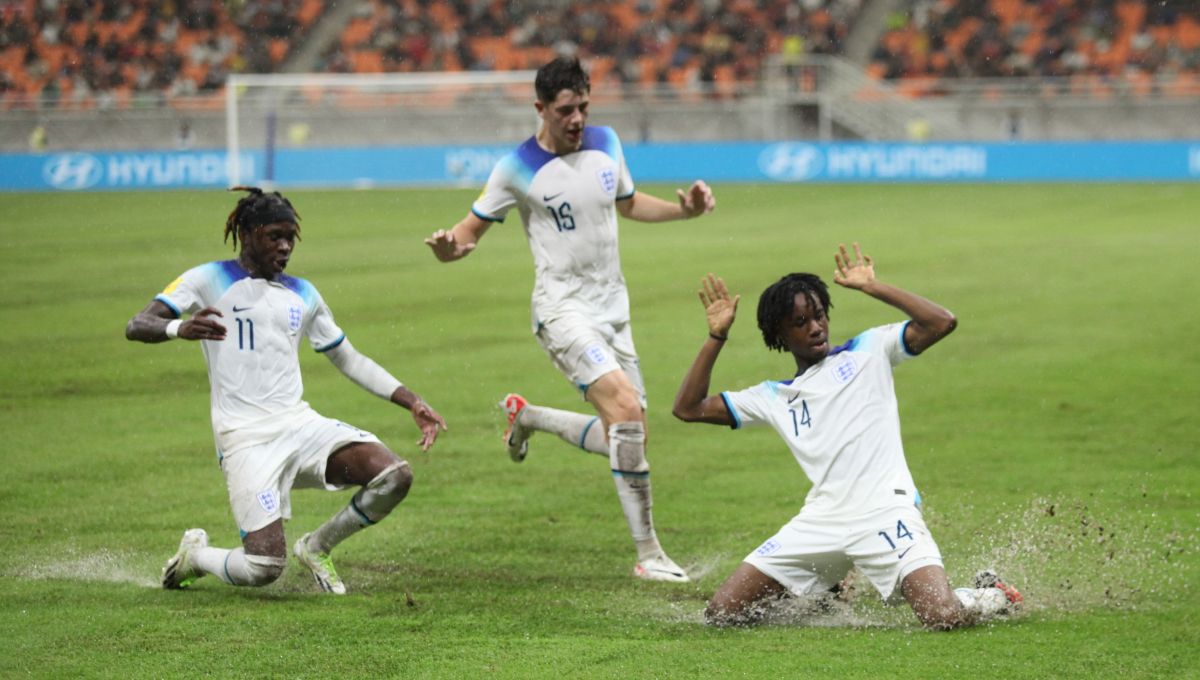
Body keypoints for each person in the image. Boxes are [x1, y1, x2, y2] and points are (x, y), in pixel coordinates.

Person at [423, 56, 715, 583]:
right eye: (565, 111)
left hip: (614, 312)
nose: (577, 118)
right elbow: (465, 234)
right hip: (561, 311)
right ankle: (648, 555)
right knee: (625, 409)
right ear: (541, 109)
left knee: (628, 435)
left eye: (583, 106)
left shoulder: (608, 142)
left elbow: (627, 204)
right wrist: (448, 249)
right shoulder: (516, 168)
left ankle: (528, 417)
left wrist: (686, 211)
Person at [672, 243, 1023, 628]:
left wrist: (872, 287)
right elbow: (688, 408)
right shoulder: (774, 397)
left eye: (819, 315)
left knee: (943, 616)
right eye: (801, 321)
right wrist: (716, 337)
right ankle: (824, 588)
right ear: (779, 333)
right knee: (722, 613)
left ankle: (991, 594)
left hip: (887, 512)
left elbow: (942, 322)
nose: (816, 327)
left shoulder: (869, 350)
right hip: (822, 521)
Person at [127, 187, 447, 595]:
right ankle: (197, 556)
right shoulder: (207, 279)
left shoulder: (303, 293)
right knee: (263, 567)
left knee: (394, 476)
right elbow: (137, 324)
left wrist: (411, 400)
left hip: (299, 426)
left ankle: (317, 547)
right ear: (247, 233)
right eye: (274, 236)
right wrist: (179, 328)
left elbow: (349, 359)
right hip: (245, 438)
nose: (284, 247)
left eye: (290, 237)